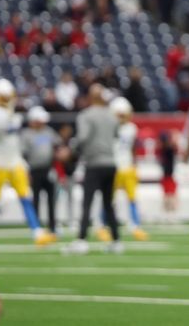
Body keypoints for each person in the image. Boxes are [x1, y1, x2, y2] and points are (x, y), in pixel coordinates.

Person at [0, 79, 55, 249]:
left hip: (14, 160)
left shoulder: (13, 114)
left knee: (25, 196)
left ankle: (37, 232)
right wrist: (6, 122)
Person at [64, 84, 121, 255]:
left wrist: (71, 150)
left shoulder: (86, 115)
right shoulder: (112, 116)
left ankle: (81, 239)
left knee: (87, 202)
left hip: (94, 163)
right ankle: (116, 240)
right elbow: (116, 135)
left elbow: (83, 137)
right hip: (111, 162)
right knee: (108, 204)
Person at [96, 97, 149, 242]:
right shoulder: (109, 127)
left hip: (127, 167)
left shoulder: (132, 128)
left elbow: (132, 148)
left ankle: (135, 226)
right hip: (113, 166)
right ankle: (101, 225)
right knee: (109, 199)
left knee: (132, 198)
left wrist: (134, 164)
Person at [21, 106, 62, 237]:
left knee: (52, 200)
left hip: (48, 169)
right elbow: (23, 154)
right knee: (36, 199)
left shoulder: (48, 132)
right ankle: (36, 228)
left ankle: (53, 226)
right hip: (34, 170)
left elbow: (58, 145)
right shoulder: (26, 134)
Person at [158, 131, 178, 222]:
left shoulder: (166, 149)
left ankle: (169, 215)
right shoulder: (166, 149)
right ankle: (169, 215)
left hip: (169, 176)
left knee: (169, 196)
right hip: (167, 176)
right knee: (169, 196)